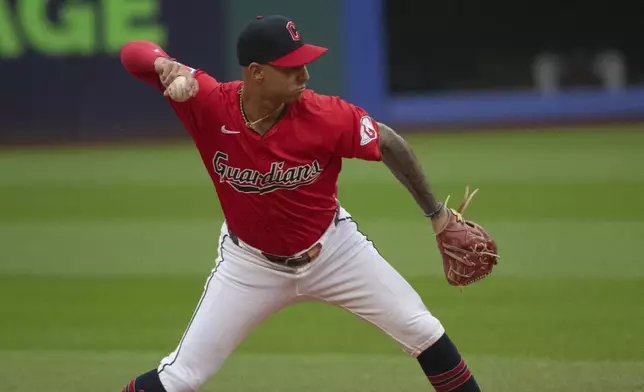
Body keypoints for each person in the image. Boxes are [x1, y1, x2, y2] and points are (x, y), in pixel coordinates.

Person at [119, 14, 494, 392]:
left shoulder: (326, 115)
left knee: (424, 331)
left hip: (335, 251)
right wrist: (163, 65)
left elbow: (389, 142)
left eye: (304, 64)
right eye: (291, 67)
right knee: (181, 377)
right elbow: (132, 53)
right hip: (249, 265)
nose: (304, 75)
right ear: (257, 72)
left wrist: (437, 215)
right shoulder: (208, 102)